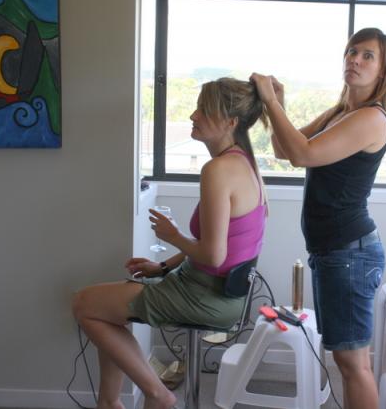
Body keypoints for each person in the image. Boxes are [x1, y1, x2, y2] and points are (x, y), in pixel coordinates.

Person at [72, 77, 268, 409]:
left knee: (84, 305)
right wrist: (162, 266)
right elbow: (213, 245)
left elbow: (213, 254)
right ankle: (110, 402)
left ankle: (157, 394)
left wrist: (173, 235)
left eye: (204, 110)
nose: (193, 116)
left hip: (206, 294)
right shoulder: (246, 164)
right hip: (220, 291)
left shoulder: (218, 169)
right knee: (104, 308)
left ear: (230, 122)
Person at [250, 27, 386, 409]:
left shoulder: (372, 118)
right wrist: (277, 104)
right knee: (349, 362)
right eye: (352, 51)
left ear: (383, 70)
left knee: (352, 364)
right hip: (336, 252)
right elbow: (285, 149)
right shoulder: (341, 113)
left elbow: (303, 155)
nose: (355, 60)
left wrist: (271, 101)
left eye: (367, 56)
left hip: (350, 253)